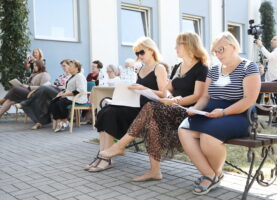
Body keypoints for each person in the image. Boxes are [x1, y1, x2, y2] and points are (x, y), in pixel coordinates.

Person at [99, 32, 209, 181]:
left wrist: (175, 101)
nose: (175, 47)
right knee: (151, 124)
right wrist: (169, 98)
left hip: (186, 111)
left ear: (189, 45)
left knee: (150, 106)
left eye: (178, 44)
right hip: (171, 108)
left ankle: (120, 145)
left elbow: (197, 96)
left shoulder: (201, 68)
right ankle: (155, 171)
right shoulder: (178, 66)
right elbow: (167, 90)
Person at [177, 32, 261, 195]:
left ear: (234, 46)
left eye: (221, 49)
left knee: (208, 136)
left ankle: (211, 177)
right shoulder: (214, 70)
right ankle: (210, 175)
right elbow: (205, 96)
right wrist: (196, 109)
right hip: (212, 112)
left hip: (239, 114)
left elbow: (249, 100)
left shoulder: (248, 67)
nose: (217, 54)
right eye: (215, 51)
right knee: (184, 129)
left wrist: (223, 112)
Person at [83, 37, 168, 172]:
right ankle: (102, 155)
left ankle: (106, 158)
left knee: (111, 113)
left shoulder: (159, 67)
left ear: (151, 51)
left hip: (148, 110)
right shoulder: (140, 69)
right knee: (105, 110)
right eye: (137, 53)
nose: (139, 56)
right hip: (134, 104)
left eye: (141, 52)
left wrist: (143, 89)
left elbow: (164, 94)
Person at [16, 59, 71, 130]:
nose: (63, 68)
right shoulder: (61, 76)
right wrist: (54, 85)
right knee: (42, 98)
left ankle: (26, 102)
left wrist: (58, 86)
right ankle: (41, 121)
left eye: (64, 66)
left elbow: (70, 88)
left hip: (63, 93)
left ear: (70, 65)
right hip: (55, 92)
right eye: (62, 66)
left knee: (44, 87)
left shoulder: (72, 76)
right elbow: (54, 84)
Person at [49, 60, 87, 132]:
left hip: (79, 98)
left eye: (71, 66)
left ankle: (64, 120)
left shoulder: (79, 76)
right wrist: (61, 93)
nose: (69, 68)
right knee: (53, 102)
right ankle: (60, 121)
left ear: (76, 68)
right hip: (70, 96)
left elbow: (79, 90)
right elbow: (68, 89)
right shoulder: (73, 76)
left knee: (61, 102)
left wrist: (65, 94)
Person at [255, 36, 277, 104]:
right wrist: (268, 60)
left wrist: (261, 45)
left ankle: (255, 108)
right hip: (274, 79)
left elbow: (270, 56)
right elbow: (275, 59)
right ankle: (256, 107)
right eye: (271, 39)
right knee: (275, 102)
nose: (271, 41)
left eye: (274, 39)